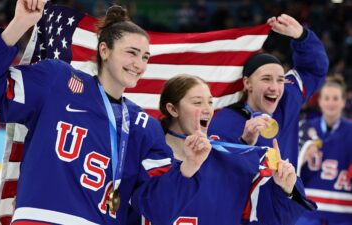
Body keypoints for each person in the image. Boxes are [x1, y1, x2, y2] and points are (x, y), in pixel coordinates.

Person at [0, 1, 211, 224]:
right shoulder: (58, 81)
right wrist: (19, 24)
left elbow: (158, 211)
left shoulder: (143, 126)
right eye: (131, 52)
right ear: (104, 50)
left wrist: (189, 166)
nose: (139, 64)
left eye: (145, 57)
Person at [135, 74, 315, 225]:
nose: (207, 109)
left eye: (210, 102)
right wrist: (188, 167)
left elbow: (270, 219)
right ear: (173, 109)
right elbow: (152, 211)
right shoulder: (144, 157)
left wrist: (286, 190)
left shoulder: (229, 159)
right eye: (197, 102)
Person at [208, 14, 328, 224]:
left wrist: (302, 36)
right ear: (247, 83)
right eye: (266, 79)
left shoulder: (287, 101)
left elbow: (314, 69)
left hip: (283, 213)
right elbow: (216, 174)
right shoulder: (223, 121)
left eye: (280, 79)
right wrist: (244, 143)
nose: (275, 86)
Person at [296, 77, 352, 225]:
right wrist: (301, 157)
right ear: (320, 101)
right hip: (308, 210)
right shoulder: (304, 128)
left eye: (335, 98)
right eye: (327, 98)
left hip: (343, 212)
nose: (331, 103)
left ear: (343, 101)